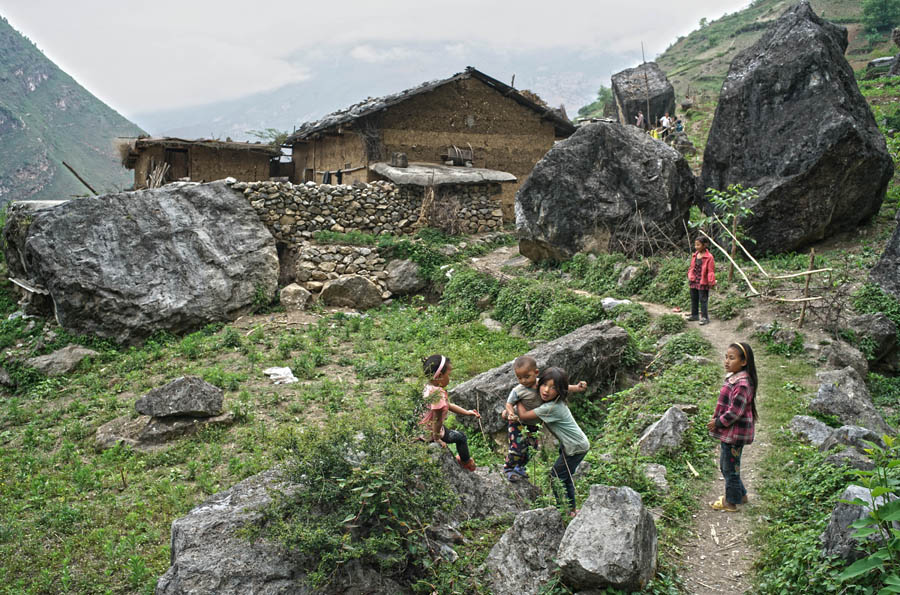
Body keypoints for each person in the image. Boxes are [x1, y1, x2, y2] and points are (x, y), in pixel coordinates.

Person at [515, 367, 589, 516]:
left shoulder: (551, 408)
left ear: (559, 390)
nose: (546, 390)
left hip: (575, 447)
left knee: (556, 477)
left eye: (553, 388)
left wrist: (517, 400)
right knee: (565, 477)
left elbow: (523, 416)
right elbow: (538, 383)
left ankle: (564, 511)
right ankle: (571, 510)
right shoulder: (554, 399)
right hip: (574, 444)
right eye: (544, 385)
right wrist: (576, 387)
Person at [501, 356, 587, 482]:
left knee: (531, 449)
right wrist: (509, 412)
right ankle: (509, 468)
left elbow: (560, 386)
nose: (523, 381)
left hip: (533, 425)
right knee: (517, 448)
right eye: (519, 378)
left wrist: (576, 388)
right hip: (518, 423)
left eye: (527, 377)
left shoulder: (540, 383)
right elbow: (509, 404)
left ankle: (519, 467)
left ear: (536, 373)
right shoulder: (518, 390)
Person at [707, 342, 758, 512]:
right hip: (731, 433)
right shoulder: (736, 379)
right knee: (729, 466)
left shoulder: (742, 384)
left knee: (729, 468)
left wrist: (718, 422)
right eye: (726, 357)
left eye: (732, 358)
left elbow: (735, 412)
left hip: (734, 434)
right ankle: (741, 495)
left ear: (744, 362)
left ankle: (731, 502)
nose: (727, 361)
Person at [420, 354, 481, 471]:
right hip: (430, 431)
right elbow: (437, 420)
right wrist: (437, 438)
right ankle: (466, 462)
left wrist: (467, 412)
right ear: (440, 376)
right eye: (449, 375)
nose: (450, 378)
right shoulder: (436, 395)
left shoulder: (429, 387)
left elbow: (449, 405)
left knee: (452, 432)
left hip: (423, 427)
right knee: (461, 437)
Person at [687, 236, 716, 325]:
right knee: (694, 297)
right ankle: (694, 315)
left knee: (703, 299)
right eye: (695, 245)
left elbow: (711, 271)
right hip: (694, 280)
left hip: (703, 281)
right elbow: (692, 267)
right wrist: (690, 275)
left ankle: (704, 317)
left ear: (704, 245)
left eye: (698, 245)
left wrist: (711, 281)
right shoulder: (695, 255)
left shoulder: (709, 257)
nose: (696, 247)